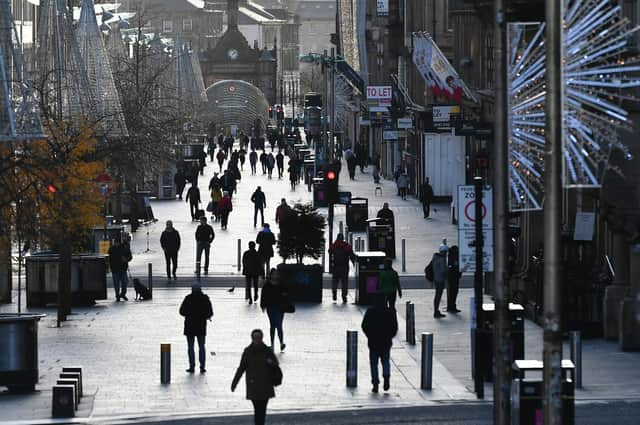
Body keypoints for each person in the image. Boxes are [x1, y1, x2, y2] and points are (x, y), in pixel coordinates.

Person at [231, 329, 279, 425]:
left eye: (258, 337)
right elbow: (241, 368)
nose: (257, 339)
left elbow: (276, 364)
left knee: (261, 409)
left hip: (265, 385)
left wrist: (271, 363)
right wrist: (234, 383)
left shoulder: (267, 351)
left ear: (261, 338)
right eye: (255, 338)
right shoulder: (248, 351)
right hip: (254, 385)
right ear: (252, 338)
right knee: (258, 409)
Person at [361, 293, 398, 393]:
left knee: (374, 363)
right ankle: (386, 376)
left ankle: (375, 383)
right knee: (385, 361)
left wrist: (369, 335)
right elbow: (394, 327)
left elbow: (364, 325)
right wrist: (390, 336)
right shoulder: (389, 312)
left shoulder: (370, 311)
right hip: (386, 341)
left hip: (373, 341)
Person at [179, 283, 213, 373]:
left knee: (190, 347)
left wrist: (189, 314)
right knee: (201, 346)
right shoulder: (205, 298)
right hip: (201, 326)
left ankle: (192, 366)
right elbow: (210, 312)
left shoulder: (188, 298)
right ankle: (202, 366)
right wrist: (204, 316)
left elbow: (181, 311)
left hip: (190, 326)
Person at [260, 269, 288, 351]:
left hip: (280, 307)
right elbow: (263, 296)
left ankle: (281, 342)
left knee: (279, 325)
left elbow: (286, 292)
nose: (275, 276)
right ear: (271, 275)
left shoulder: (281, 284)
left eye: (276, 274)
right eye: (273, 274)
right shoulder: (267, 285)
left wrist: (285, 296)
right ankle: (273, 344)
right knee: (273, 325)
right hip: (271, 307)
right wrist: (263, 306)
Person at [328, 233, 355, 303]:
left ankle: (334, 292)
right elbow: (352, 256)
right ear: (343, 238)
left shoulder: (334, 245)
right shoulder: (347, 246)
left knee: (335, 281)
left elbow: (329, 251)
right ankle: (344, 296)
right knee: (344, 282)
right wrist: (354, 263)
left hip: (336, 266)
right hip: (344, 267)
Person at [108, 236, 132, 301]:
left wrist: (126, 259)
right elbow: (109, 259)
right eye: (115, 243)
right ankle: (117, 295)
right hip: (115, 268)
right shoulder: (111, 249)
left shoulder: (124, 248)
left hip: (123, 268)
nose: (116, 244)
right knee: (116, 283)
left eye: (117, 243)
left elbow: (130, 256)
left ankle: (123, 294)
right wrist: (110, 267)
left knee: (125, 282)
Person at [431, 245, 448, 318]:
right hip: (440, 279)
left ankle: (436, 310)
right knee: (438, 295)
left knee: (437, 295)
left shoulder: (435, 257)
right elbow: (443, 270)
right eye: (446, 252)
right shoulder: (442, 259)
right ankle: (436, 311)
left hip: (436, 278)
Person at [447, 246, 462, 313]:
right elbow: (456, 267)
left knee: (452, 292)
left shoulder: (450, 257)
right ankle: (452, 306)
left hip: (452, 276)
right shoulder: (454, 258)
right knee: (454, 292)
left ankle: (451, 306)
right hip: (454, 277)